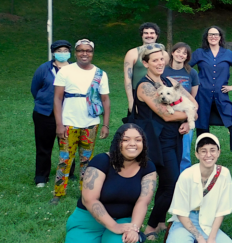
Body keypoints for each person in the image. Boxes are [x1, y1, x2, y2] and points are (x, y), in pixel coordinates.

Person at [63, 124, 157, 243]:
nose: (132, 144)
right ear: (117, 143)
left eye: (138, 139)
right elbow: (89, 199)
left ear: (144, 143)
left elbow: (143, 202)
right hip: (89, 224)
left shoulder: (148, 167)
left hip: (124, 220)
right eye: (126, 139)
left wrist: (134, 228)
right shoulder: (101, 161)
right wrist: (114, 226)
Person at [132, 44, 195, 240]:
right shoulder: (145, 86)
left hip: (173, 137)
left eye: (162, 59)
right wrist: (185, 115)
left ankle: (159, 222)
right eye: (155, 60)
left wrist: (186, 119)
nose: (160, 63)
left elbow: (193, 103)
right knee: (172, 182)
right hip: (155, 140)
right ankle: (150, 226)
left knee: (168, 183)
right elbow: (165, 115)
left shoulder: (169, 81)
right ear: (145, 63)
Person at [165, 133, 232, 243]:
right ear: (197, 154)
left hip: (209, 220)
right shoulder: (186, 176)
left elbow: (222, 210)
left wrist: (212, 238)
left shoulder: (224, 174)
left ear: (219, 152)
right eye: (203, 151)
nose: (208, 155)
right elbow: (180, 212)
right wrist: (200, 238)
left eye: (212, 150)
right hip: (186, 220)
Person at [52, 39, 111, 204]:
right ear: (76, 53)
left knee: (87, 159)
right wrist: (59, 123)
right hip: (68, 123)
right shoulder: (65, 71)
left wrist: (105, 124)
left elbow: (105, 100)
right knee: (65, 158)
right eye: (80, 50)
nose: (84, 53)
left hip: (91, 123)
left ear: (92, 53)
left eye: (88, 50)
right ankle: (58, 192)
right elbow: (57, 98)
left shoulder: (100, 74)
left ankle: (85, 192)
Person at [190, 26, 232, 166]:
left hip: (221, 96)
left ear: (220, 37)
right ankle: (204, 155)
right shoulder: (199, 53)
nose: (213, 37)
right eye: (210, 34)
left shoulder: (228, 54)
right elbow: (186, 68)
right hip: (202, 96)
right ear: (206, 37)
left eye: (216, 34)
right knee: (202, 126)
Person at [31, 40, 72, 188]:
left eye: (65, 50)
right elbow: (35, 88)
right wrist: (44, 102)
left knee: (67, 145)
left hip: (68, 113)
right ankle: (41, 177)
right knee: (44, 146)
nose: (62, 53)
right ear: (53, 52)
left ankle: (69, 173)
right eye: (59, 51)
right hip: (45, 113)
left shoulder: (74, 69)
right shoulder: (44, 68)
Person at [163, 42, 199, 172]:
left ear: (187, 57)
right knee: (166, 152)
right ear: (172, 52)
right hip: (168, 116)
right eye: (178, 51)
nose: (181, 55)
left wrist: (188, 122)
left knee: (184, 154)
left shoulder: (192, 73)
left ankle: (184, 180)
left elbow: (192, 100)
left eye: (185, 53)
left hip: (185, 117)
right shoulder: (163, 70)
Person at [123, 22, 164, 114]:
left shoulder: (163, 54)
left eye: (152, 33)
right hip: (138, 95)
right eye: (146, 33)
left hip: (159, 93)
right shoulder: (132, 53)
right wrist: (131, 101)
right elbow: (127, 78)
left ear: (156, 35)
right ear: (142, 35)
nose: (149, 35)